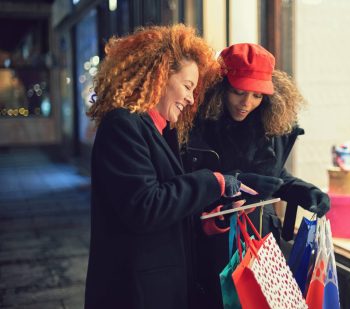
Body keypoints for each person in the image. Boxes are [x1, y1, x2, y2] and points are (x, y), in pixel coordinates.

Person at [84, 25, 256, 309]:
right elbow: (144, 206)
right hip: (132, 292)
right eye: (188, 86)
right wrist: (213, 182)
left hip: (158, 287)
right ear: (160, 76)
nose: (191, 99)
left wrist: (207, 224)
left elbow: (164, 208)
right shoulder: (123, 125)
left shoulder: (158, 130)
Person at [185, 43, 331, 308]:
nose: (246, 103)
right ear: (219, 88)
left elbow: (273, 176)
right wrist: (233, 184)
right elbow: (187, 185)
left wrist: (300, 189)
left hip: (262, 244)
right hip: (213, 245)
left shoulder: (271, 127)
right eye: (238, 92)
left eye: (257, 95)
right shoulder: (198, 129)